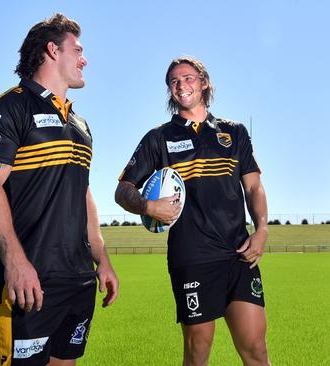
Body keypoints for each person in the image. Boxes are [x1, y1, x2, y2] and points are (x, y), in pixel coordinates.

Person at [0, 13, 118, 366]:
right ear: (53, 50)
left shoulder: (79, 124)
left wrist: (103, 260)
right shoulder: (6, 108)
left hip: (78, 279)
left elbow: (83, 194)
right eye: (77, 50)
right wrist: (16, 262)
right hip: (28, 278)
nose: (85, 59)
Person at [115, 56, 271, 366]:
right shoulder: (158, 138)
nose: (181, 85)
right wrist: (148, 206)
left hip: (239, 254)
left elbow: (254, 188)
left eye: (187, 78)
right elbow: (123, 190)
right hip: (193, 258)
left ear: (203, 82)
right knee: (198, 350)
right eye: (173, 81)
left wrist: (262, 230)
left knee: (256, 349)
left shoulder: (234, 132)